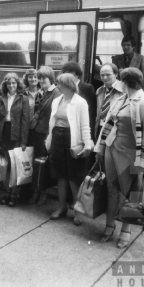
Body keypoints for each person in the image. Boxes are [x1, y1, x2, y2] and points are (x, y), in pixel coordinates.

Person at [95, 67, 144, 248]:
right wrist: (100, 148)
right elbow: (108, 124)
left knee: (129, 194)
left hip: (131, 156)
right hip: (111, 151)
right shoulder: (121, 99)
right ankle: (109, 225)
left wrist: (143, 163)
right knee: (112, 189)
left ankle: (126, 230)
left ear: (125, 81)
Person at [45, 73, 94, 226]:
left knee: (74, 177)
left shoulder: (81, 103)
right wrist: (48, 140)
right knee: (60, 174)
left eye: (59, 84)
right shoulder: (57, 100)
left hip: (72, 140)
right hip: (57, 138)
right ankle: (62, 207)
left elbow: (85, 126)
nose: (57, 86)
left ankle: (78, 211)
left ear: (68, 85)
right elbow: (52, 122)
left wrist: (87, 145)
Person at [0, 73, 30, 207]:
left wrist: (24, 141)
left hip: (16, 135)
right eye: (9, 83)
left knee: (15, 166)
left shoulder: (23, 99)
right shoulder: (1, 98)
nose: (11, 86)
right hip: (4, 133)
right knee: (6, 165)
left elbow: (25, 121)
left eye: (14, 83)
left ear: (17, 84)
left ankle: (14, 192)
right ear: (5, 85)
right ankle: (7, 191)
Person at [28, 66, 61, 205]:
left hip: (46, 134)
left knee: (43, 164)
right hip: (36, 132)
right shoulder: (43, 92)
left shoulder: (56, 93)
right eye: (39, 78)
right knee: (36, 163)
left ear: (51, 79)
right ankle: (36, 190)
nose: (41, 80)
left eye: (44, 78)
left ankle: (42, 193)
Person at [61, 62, 97, 140]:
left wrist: (89, 137)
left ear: (77, 74)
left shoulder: (87, 88)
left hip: (81, 129)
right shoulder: (63, 89)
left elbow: (91, 113)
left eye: (70, 74)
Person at [94, 63, 124, 139]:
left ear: (116, 74)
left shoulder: (124, 90)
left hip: (116, 130)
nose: (104, 78)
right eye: (102, 75)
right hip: (100, 128)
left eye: (108, 75)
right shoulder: (99, 91)